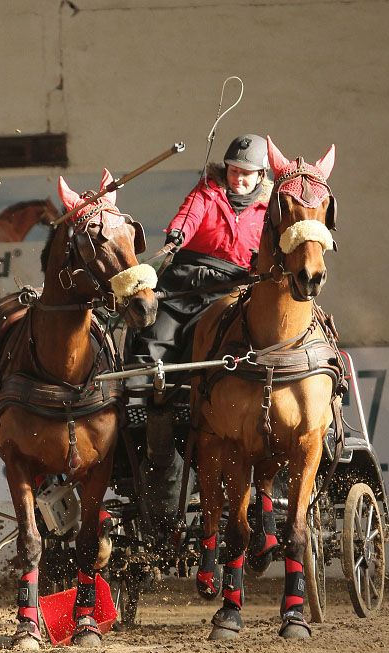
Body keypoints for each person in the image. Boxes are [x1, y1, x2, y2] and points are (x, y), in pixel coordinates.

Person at [130, 134, 272, 532]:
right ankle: (143, 391)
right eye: (233, 171)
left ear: (260, 175)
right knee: (159, 327)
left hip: (233, 288)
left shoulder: (266, 210)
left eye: (246, 173)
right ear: (224, 171)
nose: (238, 178)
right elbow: (188, 217)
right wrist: (177, 235)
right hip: (187, 279)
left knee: (212, 336)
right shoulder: (207, 192)